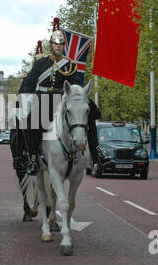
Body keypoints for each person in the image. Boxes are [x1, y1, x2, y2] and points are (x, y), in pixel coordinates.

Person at [18, 18, 109, 175]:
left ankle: (96, 153)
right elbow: (29, 82)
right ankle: (32, 159)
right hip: (44, 100)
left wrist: (79, 96)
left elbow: (75, 85)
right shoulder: (41, 64)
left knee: (90, 113)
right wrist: (26, 97)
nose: (58, 46)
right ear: (51, 45)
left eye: (61, 44)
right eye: (55, 43)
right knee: (31, 121)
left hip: (62, 100)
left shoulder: (69, 64)